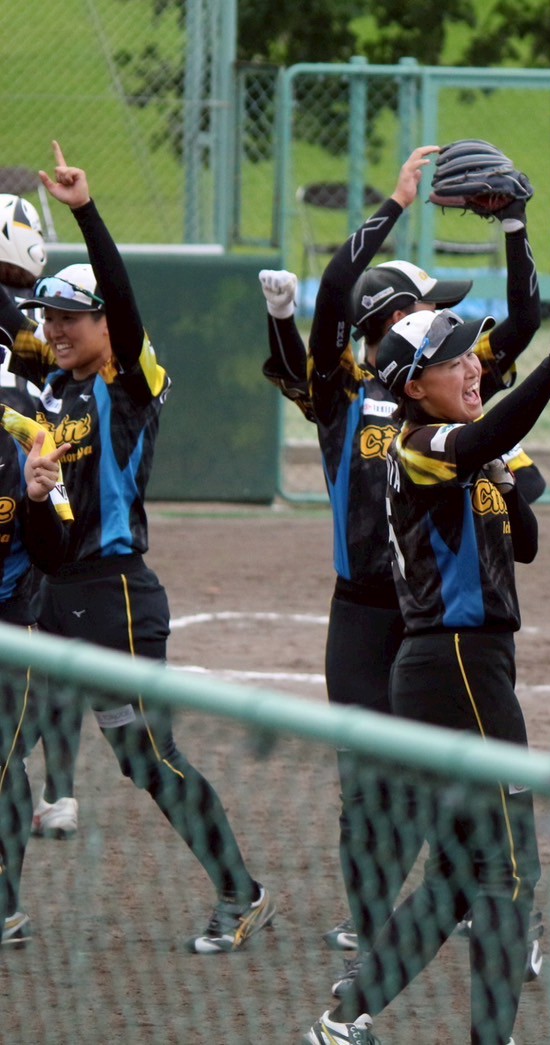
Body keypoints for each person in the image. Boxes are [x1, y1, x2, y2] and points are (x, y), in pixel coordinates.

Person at [258, 145, 545, 978]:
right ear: (390, 321)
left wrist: (516, 228)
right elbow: (333, 300)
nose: (451, 329)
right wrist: (393, 204)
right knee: (366, 785)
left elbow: (524, 322)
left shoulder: (443, 385)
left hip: (435, 613)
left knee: (459, 768)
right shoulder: (340, 393)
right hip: (364, 612)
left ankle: (501, 905)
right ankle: (371, 925)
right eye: (428, 309)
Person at [10, 141, 277, 952]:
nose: (54, 328)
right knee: (5, 743)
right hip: (52, 597)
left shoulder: (127, 386)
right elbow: (47, 534)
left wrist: (86, 212)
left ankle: (241, 890)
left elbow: (122, 302)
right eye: (48, 316)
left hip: (117, 600)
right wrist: (35, 494)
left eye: (70, 317)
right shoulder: (55, 392)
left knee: (147, 756)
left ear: (105, 326)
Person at [305, 302, 550, 1045]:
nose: (472, 368)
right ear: (413, 386)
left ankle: (343, 1020)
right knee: (511, 870)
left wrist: (499, 462)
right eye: (453, 361)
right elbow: (482, 437)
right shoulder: (419, 444)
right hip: (458, 665)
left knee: (459, 876)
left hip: (462, 668)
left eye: (471, 357)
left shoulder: (464, 448)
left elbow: (525, 541)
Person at [0, 193, 78, 839]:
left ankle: (48, 786)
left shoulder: (25, 322)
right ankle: (54, 788)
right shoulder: (30, 319)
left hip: (37, 473)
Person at [0, 376, 74, 949]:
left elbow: (55, 554)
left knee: (3, 766)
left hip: (10, 629)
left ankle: (6, 908)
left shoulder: (29, 433)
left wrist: (38, 498)